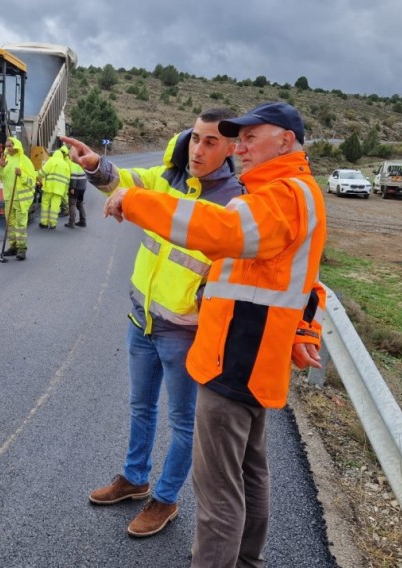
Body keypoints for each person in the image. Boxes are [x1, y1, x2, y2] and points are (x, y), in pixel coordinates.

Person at [103, 102, 327, 567]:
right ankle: (246, 561)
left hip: (236, 355)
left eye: (250, 137)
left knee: (218, 493)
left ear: (285, 140)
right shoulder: (282, 191)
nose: (239, 147)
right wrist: (304, 329)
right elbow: (306, 281)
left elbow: (221, 230)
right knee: (248, 475)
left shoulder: (282, 194)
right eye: (237, 138)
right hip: (250, 355)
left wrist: (136, 202)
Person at [62, 108, 243, 538]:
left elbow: (231, 267)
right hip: (141, 317)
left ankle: (165, 498)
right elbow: (126, 182)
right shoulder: (171, 178)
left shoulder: (234, 200)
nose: (198, 149)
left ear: (232, 147)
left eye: (211, 142)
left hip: (184, 330)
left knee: (183, 422)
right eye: (195, 138)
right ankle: (134, 478)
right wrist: (95, 164)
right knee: (141, 407)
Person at [0, 137, 36, 260]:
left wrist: (21, 174)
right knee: (10, 225)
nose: (8, 148)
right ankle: (13, 247)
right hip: (8, 198)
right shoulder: (4, 159)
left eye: (10, 146)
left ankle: (22, 249)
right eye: (6, 146)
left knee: (20, 225)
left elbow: (31, 181)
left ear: (16, 146)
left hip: (21, 199)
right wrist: (0, 167)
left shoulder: (24, 161)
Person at [36, 145, 71, 229]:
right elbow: (67, 180)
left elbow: (42, 173)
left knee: (45, 204)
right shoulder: (66, 165)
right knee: (55, 206)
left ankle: (44, 223)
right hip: (59, 190)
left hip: (49, 188)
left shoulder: (51, 161)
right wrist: (65, 192)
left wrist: (36, 175)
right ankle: (53, 224)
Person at [65, 161, 88, 228]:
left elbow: (74, 176)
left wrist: (72, 187)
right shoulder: (79, 165)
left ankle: (71, 223)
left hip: (76, 188)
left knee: (72, 204)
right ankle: (83, 221)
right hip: (82, 188)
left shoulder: (73, 165)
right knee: (79, 203)